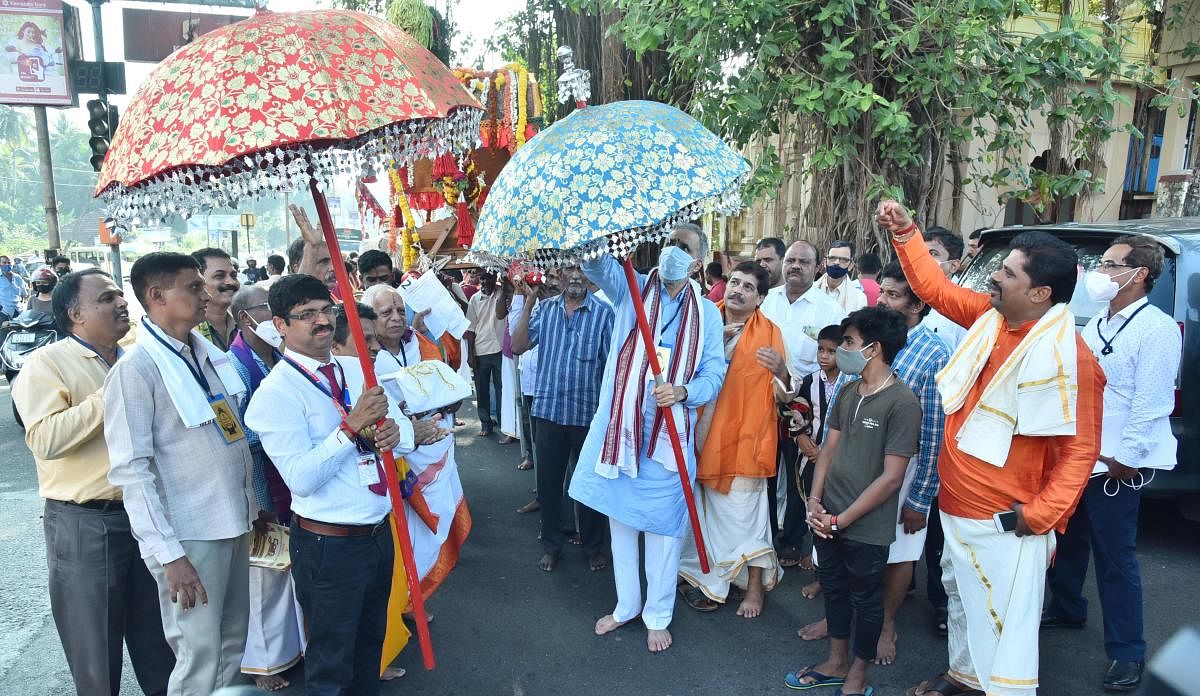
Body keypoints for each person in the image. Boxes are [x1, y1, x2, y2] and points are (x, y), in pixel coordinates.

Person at [880, 201, 1104, 696]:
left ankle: (992, 686)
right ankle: (963, 679)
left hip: (1007, 520)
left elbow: (1080, 452)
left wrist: (1038, 516)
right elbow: (935, 289)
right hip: (957, 506)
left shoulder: (1071, 360)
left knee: (1003, 627)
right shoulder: (990, 319)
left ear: (1041, 293)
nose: (992, 279)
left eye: (1006, 272)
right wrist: (906, 232)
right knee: (963, 604)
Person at [244, 274, 417, 696]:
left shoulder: (357, 369)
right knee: (330, 664)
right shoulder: (275, 394)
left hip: (378, 532)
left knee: (368, 652)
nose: (322, 322)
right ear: (281, 326)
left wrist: (396, 435)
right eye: (306, 315)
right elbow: (302, 479)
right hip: (329, 545)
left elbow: (406, 432)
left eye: (326, 310)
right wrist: (350, 427)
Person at [13, 268, 175, 696]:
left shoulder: (137, 358)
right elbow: (46, 440)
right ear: (75, 314)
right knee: (96, 655)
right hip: (87, 523)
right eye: (106, 298)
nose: (122, 303)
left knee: (162, 646)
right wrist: (109, 395)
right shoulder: (46, 364)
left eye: (120, 296)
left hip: (148, 517)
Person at [568, 222, 726, 653]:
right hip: (623, 433)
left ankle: (658, 615)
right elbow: (595, 265)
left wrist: (683, 392)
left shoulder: (708, 312)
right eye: (669, 242)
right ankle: (626, 606)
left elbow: (714, 372)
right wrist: (604, 228)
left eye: (683, 246)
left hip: (669, 435)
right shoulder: (633, 287)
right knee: (621, 526)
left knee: (663, 531)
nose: (672, 250)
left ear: (697, 262)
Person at [104, 252, 257, 696]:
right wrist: (169, 554)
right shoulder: (136, 369)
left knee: (232, 643)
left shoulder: (204, 353)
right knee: (198, 653)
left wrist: (253, 505)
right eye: (193, 287)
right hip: (189, 535)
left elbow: (230, 436)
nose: (205, 294)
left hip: (232, 518)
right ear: (157, 296)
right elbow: (131, 472)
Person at [1044, 236, 1181, 692]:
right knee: (1071, 537)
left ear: (1138, 274)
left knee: (1115, 557)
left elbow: (1153, 400)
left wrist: (1128, 457)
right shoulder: (1096, 323)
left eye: (1109, 264)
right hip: (1081, 452)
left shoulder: (1157, 329)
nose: (1099, 272)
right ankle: (1067, 608)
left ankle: (1128, 653)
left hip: (1117, 462)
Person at [785, 306, 921, 695]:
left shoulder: (902, 402)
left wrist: (842, 520)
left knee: (866, 597)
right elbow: (828, 449)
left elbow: (892, 476)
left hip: (865, 525)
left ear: (873, 349)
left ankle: (858, 675)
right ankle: (835, 661)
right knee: (835, 588)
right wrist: (814, 500)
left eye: (848, 342)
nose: (840, 349)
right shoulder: (848, 391)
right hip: (827, 515)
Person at [677, 262, 790, 618]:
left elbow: (783, 394)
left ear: (760, 299)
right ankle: (709, 580)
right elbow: (680, 369)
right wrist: (715, 343)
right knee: (701, 516)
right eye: (735, 282)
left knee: (746, 519)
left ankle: (753, 588)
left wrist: (782, 371)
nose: (737, 290)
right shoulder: (703, 321)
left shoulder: (770, 333)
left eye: (747, 287)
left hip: (744, 441)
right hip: (698, 435)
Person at [869, 261, 950, 665]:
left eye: (893, 295)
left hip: (905, 469)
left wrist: (920, 497)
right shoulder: (871, 337)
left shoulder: (933, 352)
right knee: (858, 546)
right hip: (860, 463)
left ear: (917, 305)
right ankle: (847, 622)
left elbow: (935, 431)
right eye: (881, 292)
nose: (882, 300)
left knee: (899, 553)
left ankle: (885, 624)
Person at [225, 285, 305, 693]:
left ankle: (289, 649)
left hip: (288, 478)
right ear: (244, 318)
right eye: (265, 309)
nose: (273, 316)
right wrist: (286, 428)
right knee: (264, 576)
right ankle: (260, 663)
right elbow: (238, 433)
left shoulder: (275, 356)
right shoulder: (235, 365)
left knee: (288, 571)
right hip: (261, 484)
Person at [511, 265, 615, 572]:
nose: (575, 276)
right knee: (549, 485)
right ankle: (552, 545)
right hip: (548, 412)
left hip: (587, 414)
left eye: (582, 270)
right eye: (569, 268)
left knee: (589, 486)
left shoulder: (603, 314)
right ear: (559, 273)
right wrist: (529, 301)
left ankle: (593, 546)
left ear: (590, 276)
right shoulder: (545, 310)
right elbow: (518, 346)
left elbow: (610, 370)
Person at [761, 241, 847, 567]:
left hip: (806, 405)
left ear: (817, 266)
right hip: (763, 402)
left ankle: (791, 541)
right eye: (791, 260)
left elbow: (837, 358)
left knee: (800, 474)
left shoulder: (830, 310)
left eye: (804, 261)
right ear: (783, 264)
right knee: (766, 472)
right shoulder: (766, 301)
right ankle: (766, 535)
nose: (796, 266)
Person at [464, 270, 506, 437]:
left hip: (501, 349)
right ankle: (485, 423)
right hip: (481, 350)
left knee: (502, 389)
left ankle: (505, 424)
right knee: (482, 390)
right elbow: (470, 329)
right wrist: (470, 354)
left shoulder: (501, 293)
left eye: (489, 277)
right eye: (482, 278)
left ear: (495, 278)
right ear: (479, 280)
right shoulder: (474, 299)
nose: (485, 281)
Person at [364, 284, 440, 373]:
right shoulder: (364, 353)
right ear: (369, 318)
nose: (397, 318)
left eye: (401, 311)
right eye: (386, 312)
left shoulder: (418, 342)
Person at [921, 226, 969, 353]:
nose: (924, 259)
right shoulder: (907, 293)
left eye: (933, 254)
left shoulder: (963, 307)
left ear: (953, 266)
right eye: (922, 253)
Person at [193, 248, 241, 352]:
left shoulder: (245, 324)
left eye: (234, 276)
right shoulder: (188, 331)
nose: (231, 282)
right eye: (219, 276)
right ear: (198, 282)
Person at [815, 240, 868, 313]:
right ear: (825, 262)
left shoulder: (859, 298)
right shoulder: (810, 289)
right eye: (832, 258)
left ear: (851, 265)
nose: (836, 262)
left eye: (843, 260)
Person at [0, 253, 29, 321]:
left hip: (19, 311)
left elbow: (25, 294)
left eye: (9, 262)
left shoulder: (18, 278)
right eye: (4, 263)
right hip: (4, 312)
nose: (7, 264)